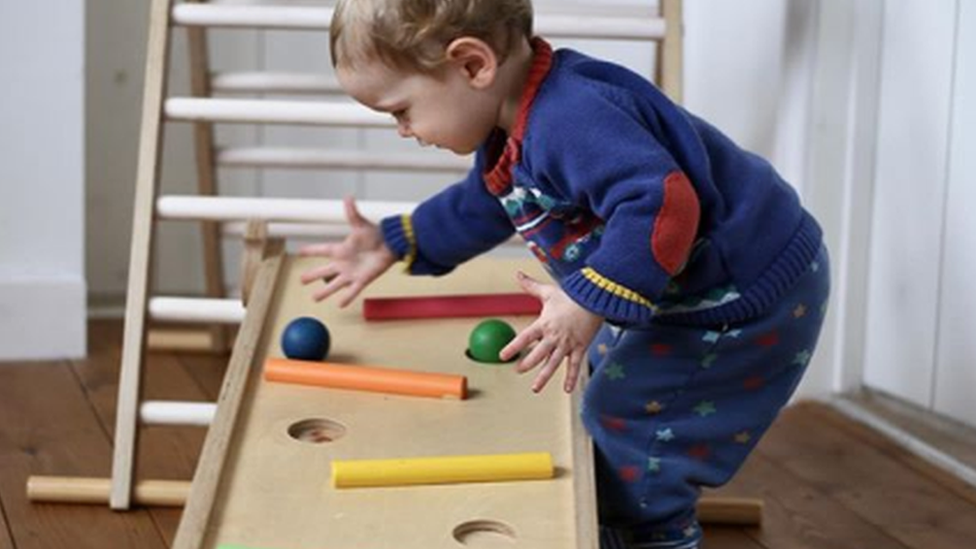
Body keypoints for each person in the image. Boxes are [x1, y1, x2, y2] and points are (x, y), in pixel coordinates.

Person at [298, 1, 831, 548]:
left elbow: (662, 203)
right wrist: (394, 241)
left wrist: (587, 302)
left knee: (628, 429)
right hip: (692, 291)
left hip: (741, 296)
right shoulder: (514, 122)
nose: (403, 130)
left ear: (473, 65)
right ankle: (610, 508)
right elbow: (486, 202)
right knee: (601, 392)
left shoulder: (570, 118)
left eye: (400, 110)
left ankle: (647, 533)